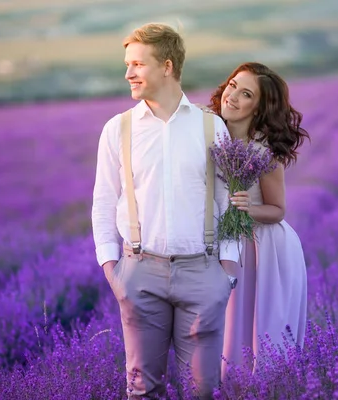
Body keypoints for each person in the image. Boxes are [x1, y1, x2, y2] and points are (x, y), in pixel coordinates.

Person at [91, 23, 239, 399]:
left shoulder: (212, 127)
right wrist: (113, 272)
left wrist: (228, 272)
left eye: (137, 64)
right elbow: (103, 202)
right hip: (140, 273)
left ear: (167, 66)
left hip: (203, 273)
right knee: (142, 389)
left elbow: (228, 200)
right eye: (128, 64)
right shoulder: (117, 130)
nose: (128, 73)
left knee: (204, 390)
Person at [206, 62, 309, 376]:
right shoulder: (210, 132)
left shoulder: (264, 151)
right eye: (233, 85)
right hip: (224, 244)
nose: (232, 96)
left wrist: (248, 209)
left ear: (259, 108)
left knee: (261, 336)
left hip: (263, 248)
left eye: (246, 94)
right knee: (223, 332)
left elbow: (277, 210)